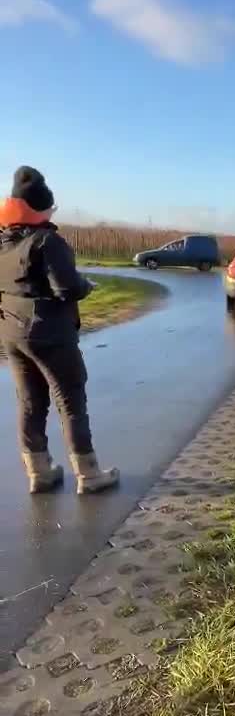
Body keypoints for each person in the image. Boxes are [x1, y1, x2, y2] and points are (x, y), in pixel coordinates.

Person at [0, 166, 119, 495]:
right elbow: (66, 288)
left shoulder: (3, 242)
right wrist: (86, 285)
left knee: (30, 401)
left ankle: (39, 472)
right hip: (50, 333)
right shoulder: (47, 241)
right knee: (70, 400)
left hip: (11, 332)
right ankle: (89, 475)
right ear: (40, 208)